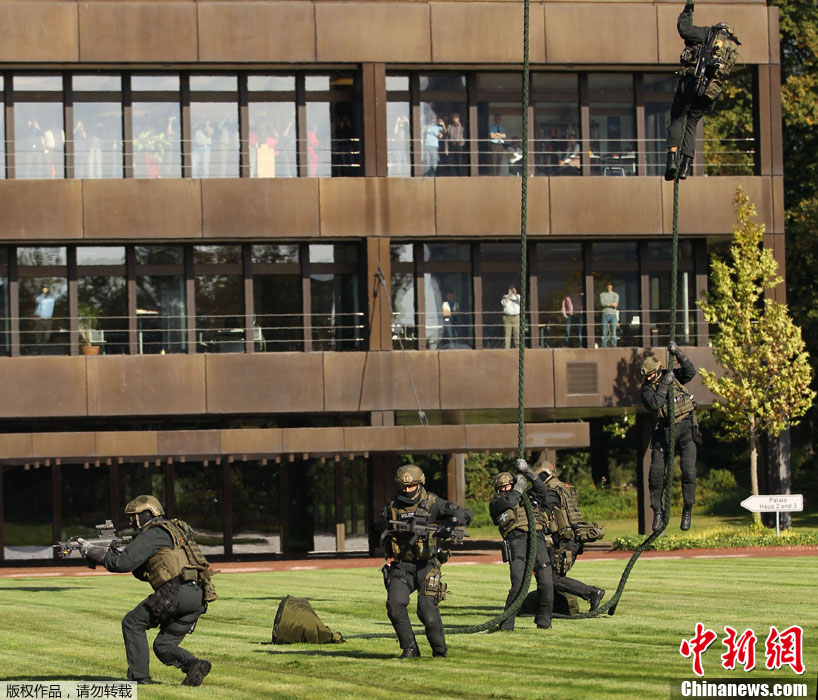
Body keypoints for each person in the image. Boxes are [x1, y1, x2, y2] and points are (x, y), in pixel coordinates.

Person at [77, 495, 217, 686]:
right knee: (163, 645)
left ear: (146, 514)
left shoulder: (154, 533)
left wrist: (92, 551)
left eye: (133, 517)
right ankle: (194, 665)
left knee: (132, 623)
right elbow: (145, 570)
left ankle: (140, 678)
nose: (131, 522)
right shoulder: (173, 529)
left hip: (176, 592)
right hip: (199, 595)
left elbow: (121, 564)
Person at [375, 464, 472, 658]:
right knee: (394, 605)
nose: (407, 490)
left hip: (427, 565)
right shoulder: (392, 506)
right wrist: (385, 528)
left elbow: (465, 514)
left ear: (420, 484)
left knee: (426, 609)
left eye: (411, 486)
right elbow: (377, 528)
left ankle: (439, 650)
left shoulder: (433, 502)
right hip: (402, 566)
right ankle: (410, 648)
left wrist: (446, 526)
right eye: (404, 487)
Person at [664, 0, 741, 181]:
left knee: (677, 117)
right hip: (710, 92)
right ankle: (685, 166)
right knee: (692, 123)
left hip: (693, 81)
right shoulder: (731, 48)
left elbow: (684, 29)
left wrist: (686, 13)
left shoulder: (708, 34)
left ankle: (672, 161)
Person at [530, 459, 606, 613]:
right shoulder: (564, 488)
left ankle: (592, 592)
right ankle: (559, 606)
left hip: (565, 540)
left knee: (554, 579)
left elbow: (544, 516)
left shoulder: (551, 493)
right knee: (555, 577)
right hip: (573, 537)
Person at [640, 341, 701, 532]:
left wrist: (678, 353)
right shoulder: (646, 390)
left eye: (651, 375)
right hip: (664, 432)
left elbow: (690, 372)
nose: (648, 378)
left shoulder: (671, 375)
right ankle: (657, 510)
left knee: (688, 471)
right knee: (656, 474)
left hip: (686, 428)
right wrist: (664, 385)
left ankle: (687, 509)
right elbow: (656, 403)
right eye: (646, 376)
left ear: (658, 370)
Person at [490, 461, 554, 631]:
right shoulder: (496, 504)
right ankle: (507, 623)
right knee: (518, 585)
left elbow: (542, 490)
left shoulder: (529, 497)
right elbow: (509, 502)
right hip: (517, 541)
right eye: (502, 487)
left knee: (547, 582)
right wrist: (518, 488)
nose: (506, 489)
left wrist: (529, 472)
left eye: (509, 485)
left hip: (537, 539)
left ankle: (544, 621)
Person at [599, 282, 620, 347]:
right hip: (605, 314)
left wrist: (608, 304)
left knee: (613, 332)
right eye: (608, 285)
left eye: (610, 285)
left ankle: (614, 347)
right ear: (606, 286)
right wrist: (612, 304)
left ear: (612, 286)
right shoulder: (602, 294)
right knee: (604, 332)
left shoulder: (615, 295)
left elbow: (615, 305)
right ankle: (604, 346)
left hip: (613, 315)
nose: (609, 286)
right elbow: (602, 303)